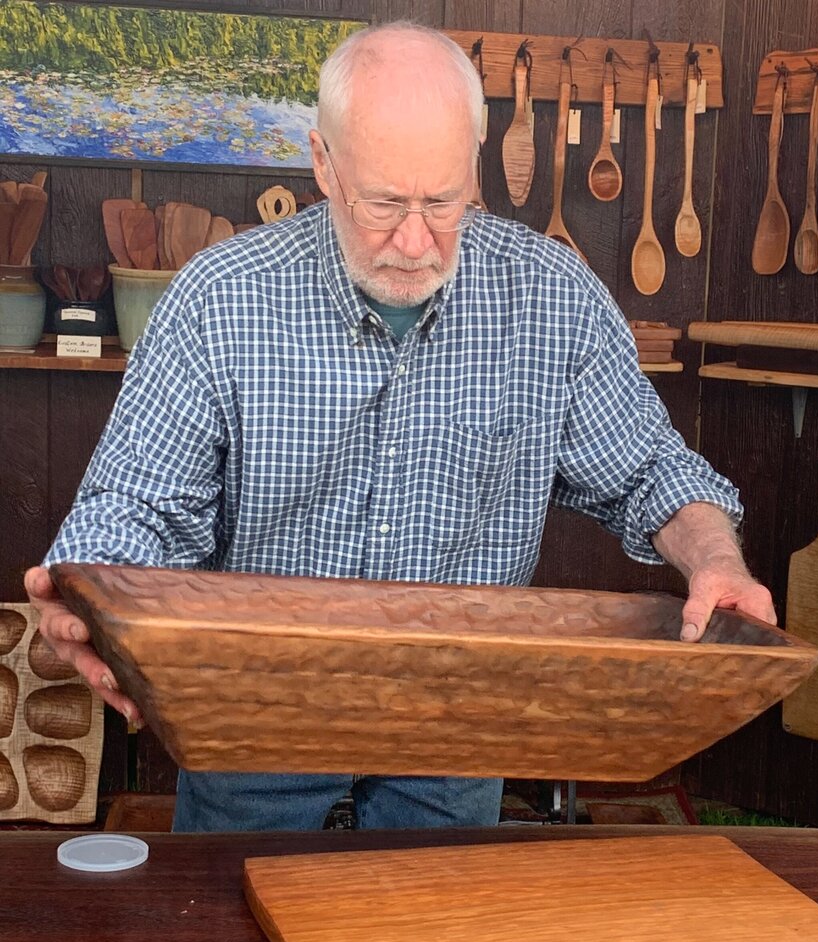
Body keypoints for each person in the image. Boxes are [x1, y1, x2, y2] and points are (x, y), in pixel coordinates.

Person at [24, 21, 775, 833]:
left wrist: (715, 557)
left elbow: (651, 472)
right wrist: (91, 590)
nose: (415, 242)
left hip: (453, 733)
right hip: (253, 725)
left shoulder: (552, 297)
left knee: (432, 941)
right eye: (383, 203)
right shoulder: (220, 298)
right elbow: (138, 505)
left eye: (444, 202)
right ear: (321, 163)